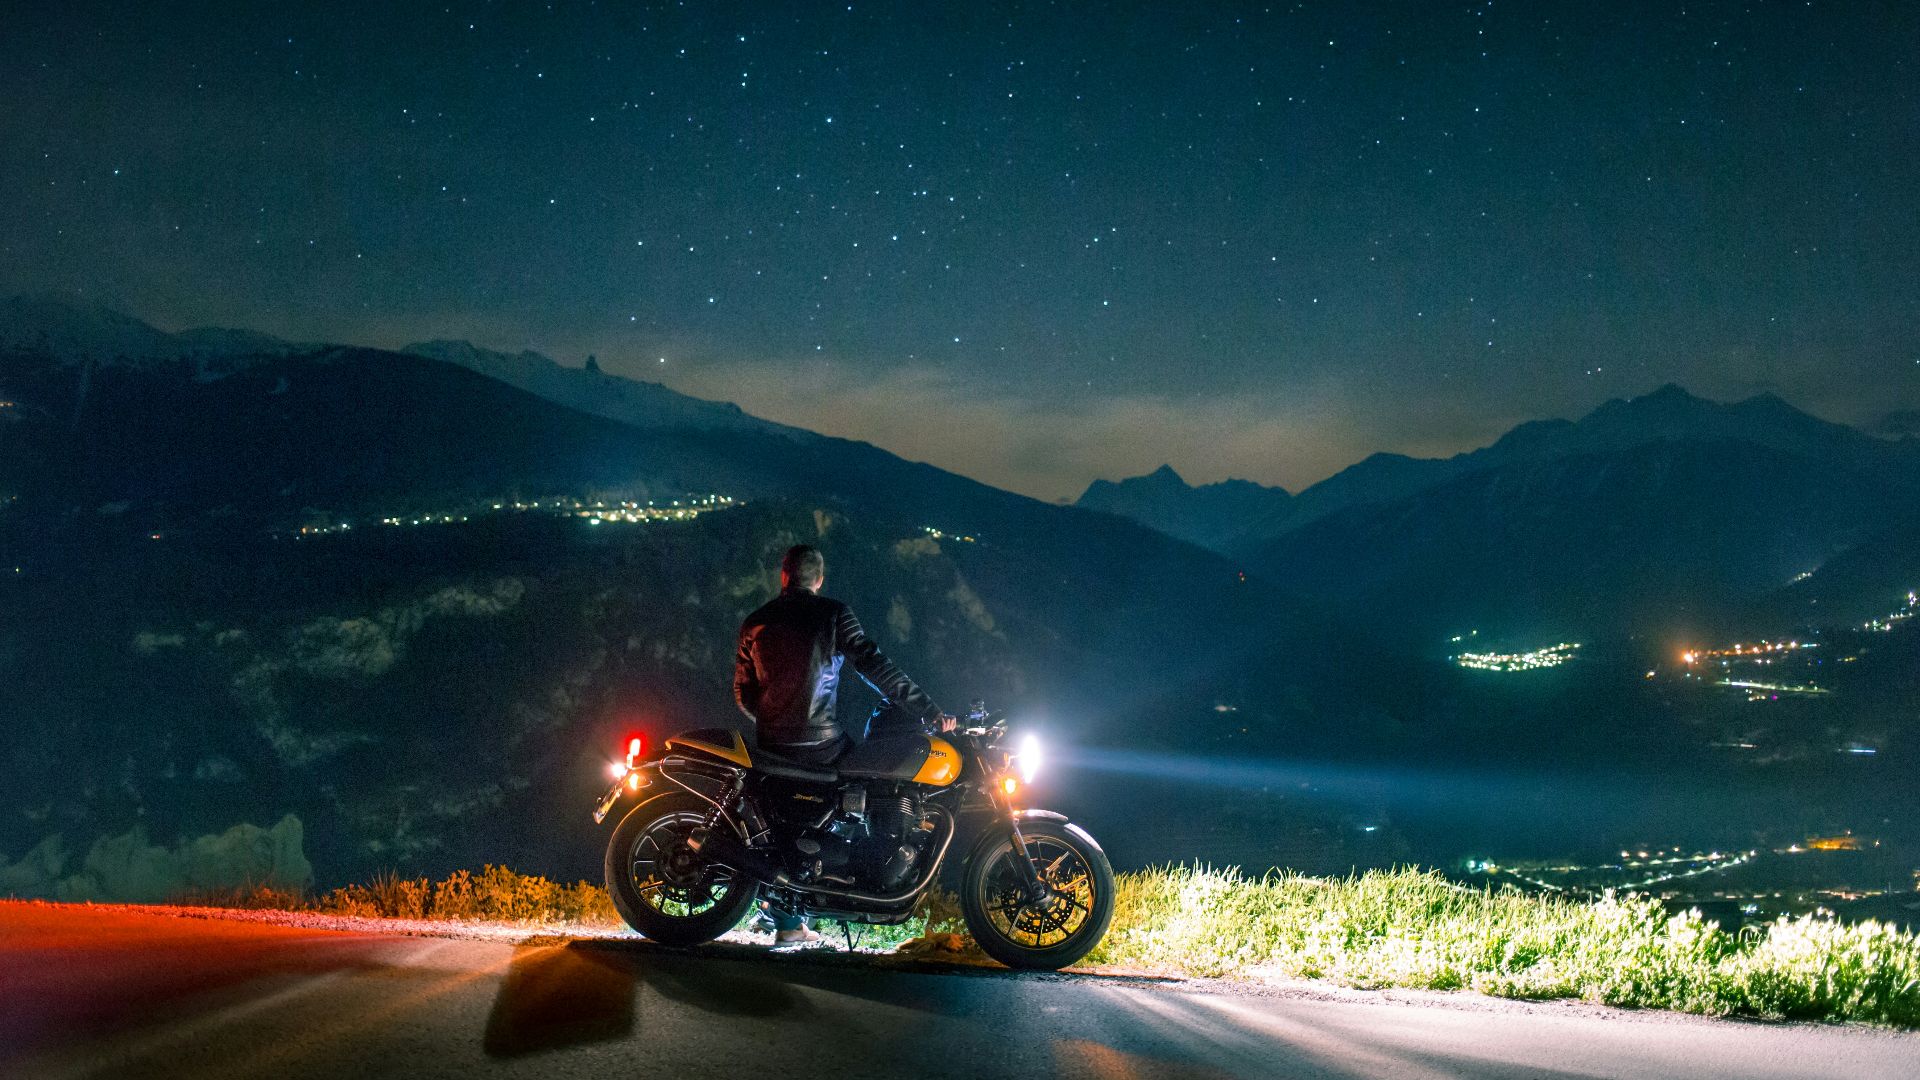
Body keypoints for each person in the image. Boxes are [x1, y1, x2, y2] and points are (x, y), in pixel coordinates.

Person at [733, 544, 953, 943]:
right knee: (872, 786)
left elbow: (743, 693)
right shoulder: (833, 614)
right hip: (820, 742)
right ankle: (855, 880)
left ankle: (783, 915)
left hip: (769, 745)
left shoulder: (756, 621)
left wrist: (773, 725)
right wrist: (928, 710)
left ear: (784, 576)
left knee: (789, 817)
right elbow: (875, 666)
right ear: (819, 579)